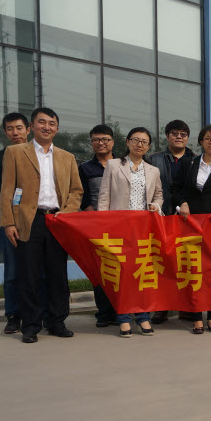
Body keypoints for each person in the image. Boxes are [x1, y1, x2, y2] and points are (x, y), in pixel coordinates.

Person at [0, 107, 83, 343]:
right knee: (29, 275)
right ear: (32, 126)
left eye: (51, 123)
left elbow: (76, 191)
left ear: (57, 128)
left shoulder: (67, 157)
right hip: (29, 221)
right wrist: (8, 222)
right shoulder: (15, 152)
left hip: (57, 220)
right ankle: (31, 325)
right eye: (42, 122)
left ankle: (57, 321)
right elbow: (7, 190)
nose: (47, 127)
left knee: (58, 275)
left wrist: (67, 213)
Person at [97, 127, 163, 337]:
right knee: (122, 274)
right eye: (136, 140)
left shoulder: (153, 170)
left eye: (144, 142)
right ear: (127, 142)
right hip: (118, 227)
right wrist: (103, 224)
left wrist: (155, 205)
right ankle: (124, 318)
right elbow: (104, 196)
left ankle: (143, 316)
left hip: (142, 229)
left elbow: (159, 194)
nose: (139, 144)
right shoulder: (114, 165)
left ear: (148, 147)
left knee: (141, 272)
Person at [172, 124, 211, 334]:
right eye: (207, 138)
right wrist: (182, 203)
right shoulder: (188, 163)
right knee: (194, 269)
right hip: (189, 223)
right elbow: (175, 189)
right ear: (201, 142)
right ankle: (197, 317)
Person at [149, 119, 195, 325]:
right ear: (167, 136)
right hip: (161, 217)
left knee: (186, 264)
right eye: (174, 133)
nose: (179, 137)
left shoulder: (195, 160)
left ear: (187, 138)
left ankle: (185, 307)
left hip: (186, 220)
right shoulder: (154, 159)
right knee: (162, 264)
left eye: (183, 134)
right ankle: (162, 308)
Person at [0, 112, 31, 334]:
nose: (15, 132)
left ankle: (39, 314)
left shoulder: (39, 154)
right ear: (5, 132)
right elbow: (1, 191)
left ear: (28, 129)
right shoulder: (0, 157)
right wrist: (10, 221)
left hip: (37, 220)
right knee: (13, 271)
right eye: (10, 129)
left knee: (39, 271)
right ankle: (13, 315)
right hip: (14, 221)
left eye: (19, 128)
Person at [79, 124, 118, 327]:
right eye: (96, 140)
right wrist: (90, 214)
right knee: (101, 270)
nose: (101, 143)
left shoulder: (123, 164)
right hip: (97, 227)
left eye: (105, 139)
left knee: (122, 269)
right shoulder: (85, 168)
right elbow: (81, 195)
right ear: (92, 143)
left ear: (112, 142)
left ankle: (122, 310)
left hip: (121, 225)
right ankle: (104, 313)